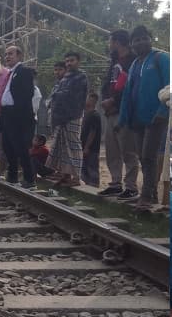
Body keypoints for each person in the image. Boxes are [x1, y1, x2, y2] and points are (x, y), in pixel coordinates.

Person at [119, 26, 171, 209]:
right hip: (137, 120)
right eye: (136, 40)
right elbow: (127, 93)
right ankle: (150, 195)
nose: (140, 42)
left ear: (151, 39)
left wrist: (162, 112)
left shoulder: (161, 58)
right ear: (132, 44)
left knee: (149, 156)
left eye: (144, 38)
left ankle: (147, 196)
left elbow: (170, 87)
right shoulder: (135, 64)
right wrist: (122, 119)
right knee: (142, 156)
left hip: (155, 118)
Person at [99, 29, 139, 198]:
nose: (109, 45)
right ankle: (115, 183)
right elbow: (109, 82)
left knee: (128, 150)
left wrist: (113, 100)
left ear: (117, 42)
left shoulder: (133, 61)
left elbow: (132, 86)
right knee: (112, 149)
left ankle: (131, 187)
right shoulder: (114, 61)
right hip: (110, 112)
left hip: (125, 111)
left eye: (110, 41)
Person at [0, 45, 37, 187]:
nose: (7, 56)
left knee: (20, 147)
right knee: (8, 146)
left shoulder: (24, 71)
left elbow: (28, 93)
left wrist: (17, 111)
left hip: (18, 115)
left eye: (11, 54)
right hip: (7, 114)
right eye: (6, 54)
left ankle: (29, 178)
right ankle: (12, 175)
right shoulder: (9, 74)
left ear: (19, 56)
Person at [48, 52, 89, 186]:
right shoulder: (65, 78)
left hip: (73, 116)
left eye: (72, 60)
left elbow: (70, 97)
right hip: (61, 117)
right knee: (63, 146)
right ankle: (65, 175)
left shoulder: (80, 77)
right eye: (67, 61)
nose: (69, 63)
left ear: (78, 61)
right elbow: (56, 96)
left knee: (73, 146)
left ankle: (76, 178)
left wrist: (57, 96)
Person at [80, 92, 102, 187]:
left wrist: (87, 147)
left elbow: (93, 132)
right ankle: (86, 188)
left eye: (87, 98)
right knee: (84, 169)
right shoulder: (86, 114)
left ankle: (93, 187)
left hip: (92, 149)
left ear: (92, 101)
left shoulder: (95, 115)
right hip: (84, 147)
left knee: (92, 169)